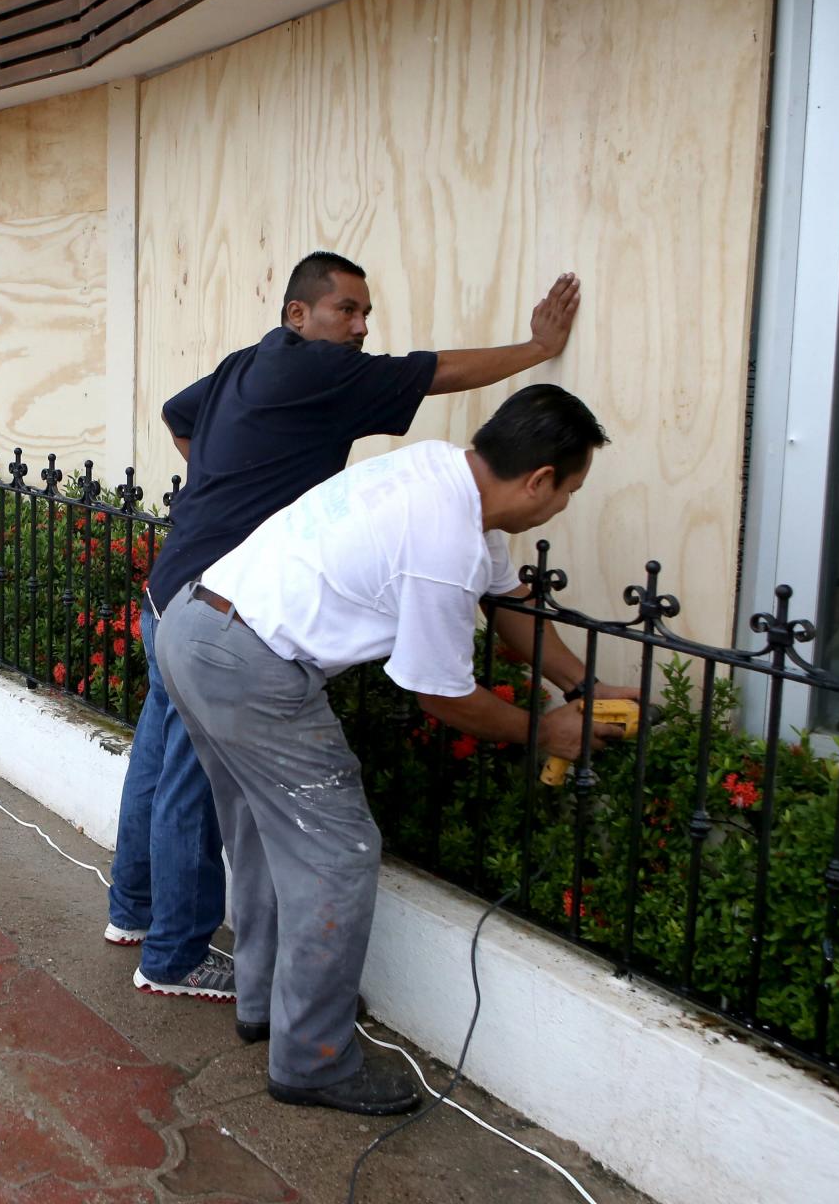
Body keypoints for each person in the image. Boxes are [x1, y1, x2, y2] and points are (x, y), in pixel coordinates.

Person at [109, 252, 583, 1005]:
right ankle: (172, 955)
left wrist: (225, 488)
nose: (362, 327)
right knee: (190, 783)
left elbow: (178, 414)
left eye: (366, 314)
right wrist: (535, 351)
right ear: (299, 315)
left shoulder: (250, 363)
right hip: (218, 599)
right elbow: (434, 372)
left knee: (157, 759)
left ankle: (133, 915)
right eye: (348, 310)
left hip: (178, 583)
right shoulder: (324, 373)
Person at [155, 385, 634, 1115]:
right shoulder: (445, 542)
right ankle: (312, 1059)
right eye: (568, 490)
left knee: (260, 826)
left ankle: (264, 1006)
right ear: (539, 481)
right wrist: (547, 730)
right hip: (247, 662)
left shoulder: (447, 477)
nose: (562, 506)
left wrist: (584, 685)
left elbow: (509, 607)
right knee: (337, 849)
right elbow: (442, 696)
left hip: (195, 626)